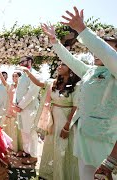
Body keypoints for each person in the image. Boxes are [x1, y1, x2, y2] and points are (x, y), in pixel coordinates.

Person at [41, 6, 117, 180]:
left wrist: (83, 30)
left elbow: (107, 55)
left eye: (105, 48)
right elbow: (69, 60)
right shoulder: (90, 71)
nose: (96, 52)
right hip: (83, 137)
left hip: (106, 141)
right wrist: (54, 41)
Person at [20, 61, 80, 180]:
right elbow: (39, 83)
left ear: (71, 68)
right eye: (59, 64)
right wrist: (28, 73)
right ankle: (52, 174)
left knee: (62, 149)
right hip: (53, 121)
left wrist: (67, 127)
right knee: (52, 147)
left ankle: (63, 176)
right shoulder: (54, 83)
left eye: (64, 64)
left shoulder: (77, 86)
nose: (60, 66)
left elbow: (76, 107)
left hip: (66, 120)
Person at [13, 56, 41, 165]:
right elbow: (18, 91)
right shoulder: (23, 76)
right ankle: (26, 152)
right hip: (20, 109)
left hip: (30, 109)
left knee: (31, 132)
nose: (20, 64)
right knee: (24, 131)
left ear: (30, 61)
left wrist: (20, 105)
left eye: (23, 61)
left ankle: (34, 156)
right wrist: (16, 104)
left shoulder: (35, 75)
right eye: (19, 62)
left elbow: (32, 93)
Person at [0, 68, 23, 153]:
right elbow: (4, 82)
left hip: (18, 111)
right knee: (7, 128)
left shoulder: (22, 88)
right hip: (9, 109)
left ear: (20, 77)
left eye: (16, 76)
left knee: (17, 129)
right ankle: (9, 147)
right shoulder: (10, 86)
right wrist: (0, 73)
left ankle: (18, 148)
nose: (14, 77)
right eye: (13, 76)